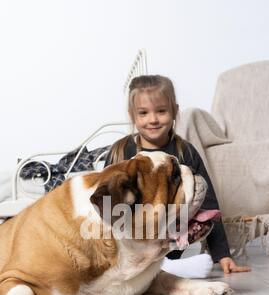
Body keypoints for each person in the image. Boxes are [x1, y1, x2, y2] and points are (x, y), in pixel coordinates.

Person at [104, 75, 251, 277]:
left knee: (199, 213)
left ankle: (163, 267)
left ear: (174, 110)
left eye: (161, 111)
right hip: (129, 238)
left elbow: (208, 204)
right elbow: (105, 206)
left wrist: (223, 255)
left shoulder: (185, 152)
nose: (153, 119)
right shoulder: (120, 152)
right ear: (133, 115)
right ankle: (135, 268)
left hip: (168, 238)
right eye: (144, 113)